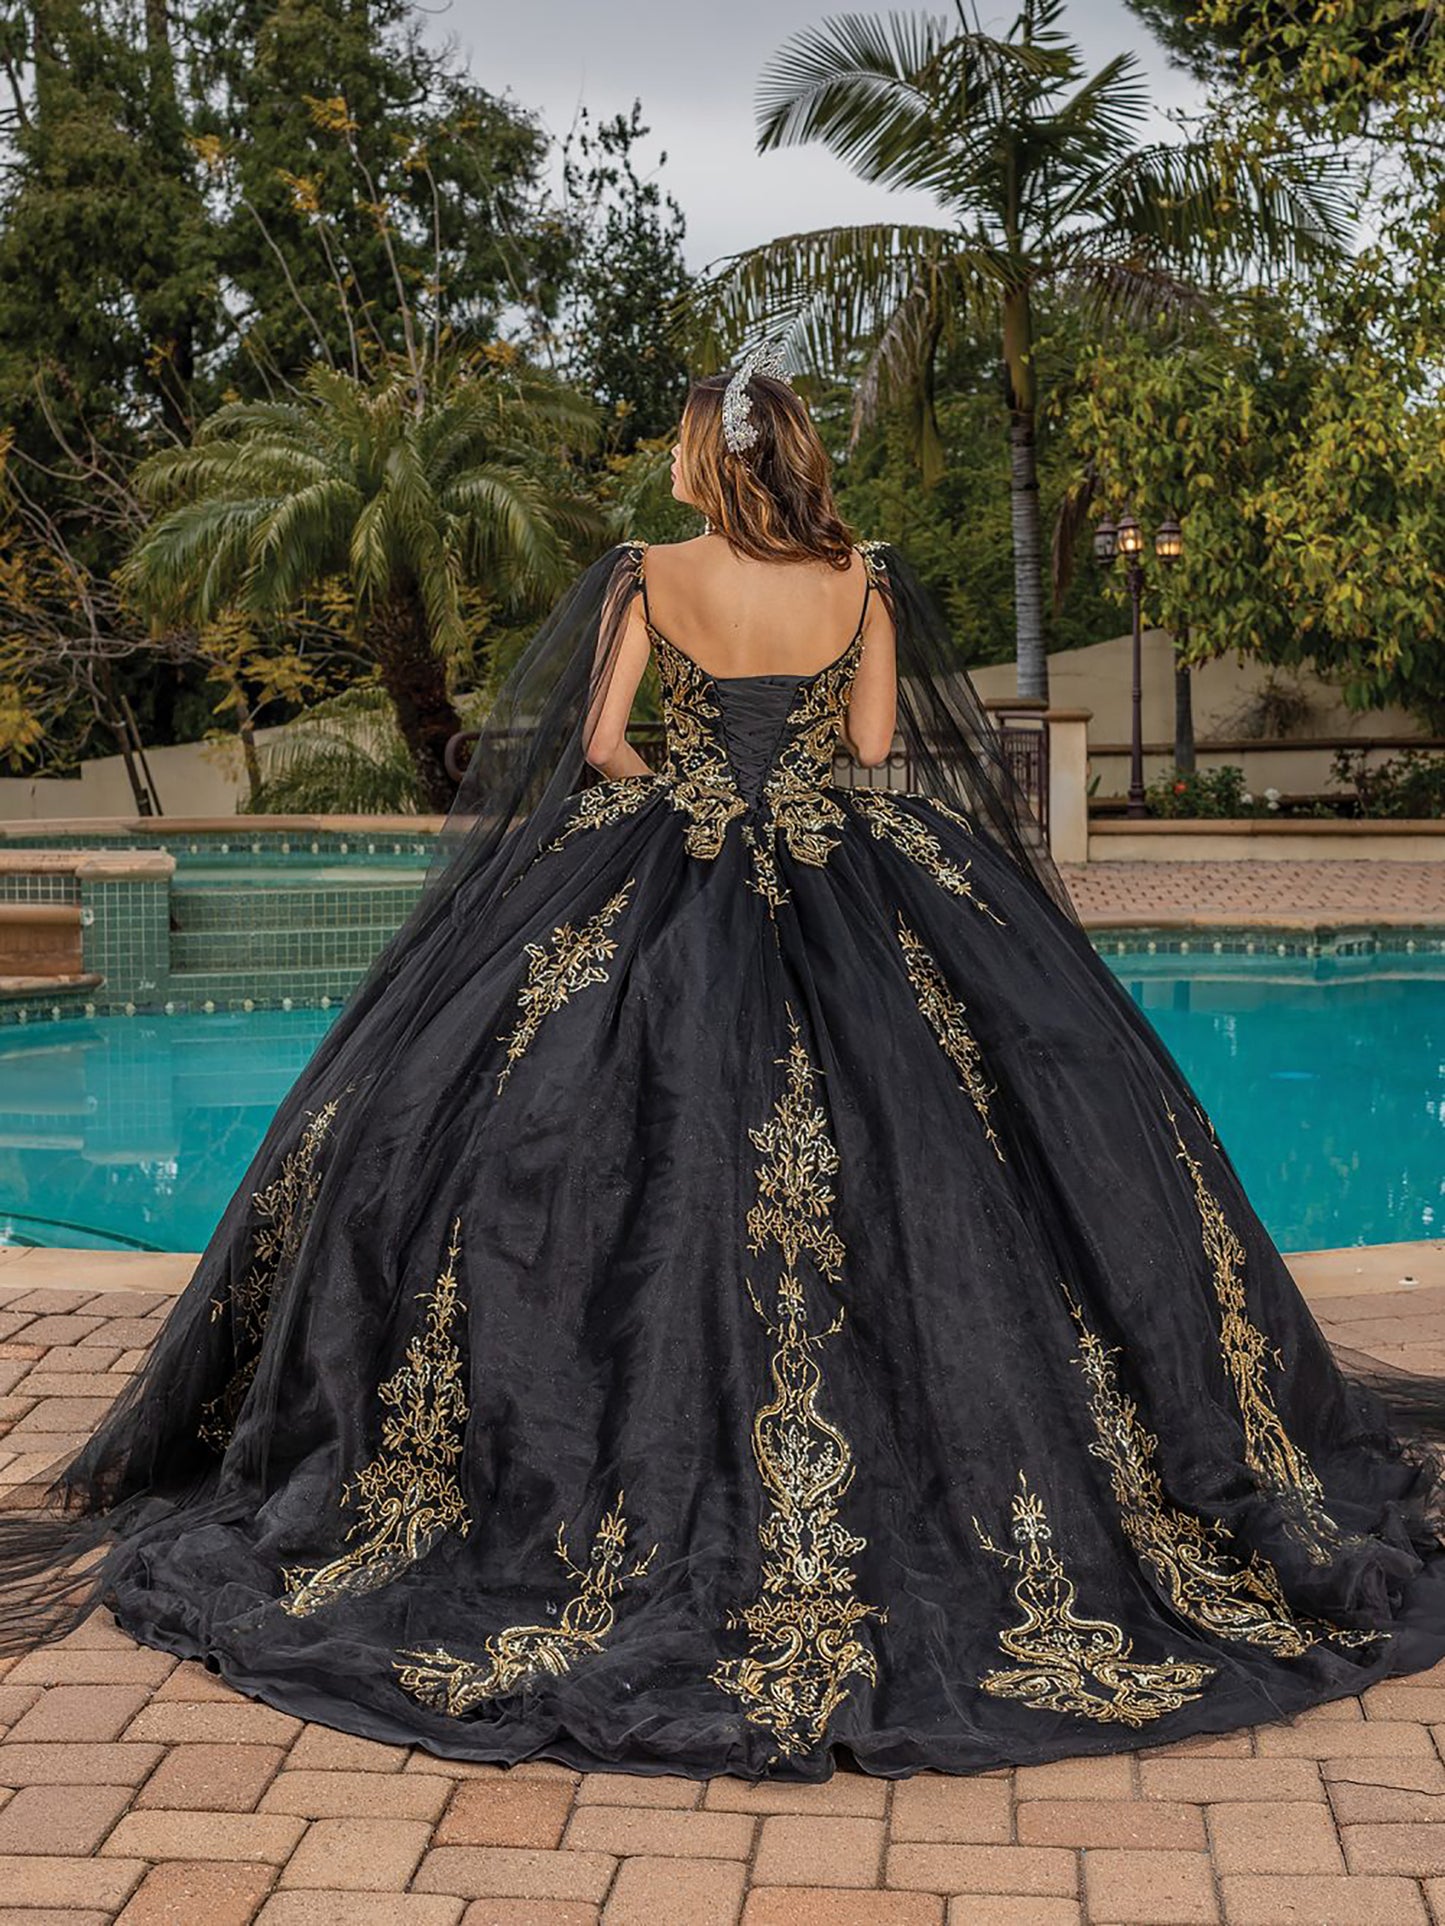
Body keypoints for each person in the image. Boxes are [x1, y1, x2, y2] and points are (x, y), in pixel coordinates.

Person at [3, 343, 1445, 1786]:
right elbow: (873, 743)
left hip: (664, 873)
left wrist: (696, 791)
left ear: (706, 455)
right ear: (799, 451)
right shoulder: (862, 579)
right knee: (963, 1151)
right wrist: (789, 777)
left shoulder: (647, 573)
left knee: (526, 1129)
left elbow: (603, 742)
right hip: (842, 875)